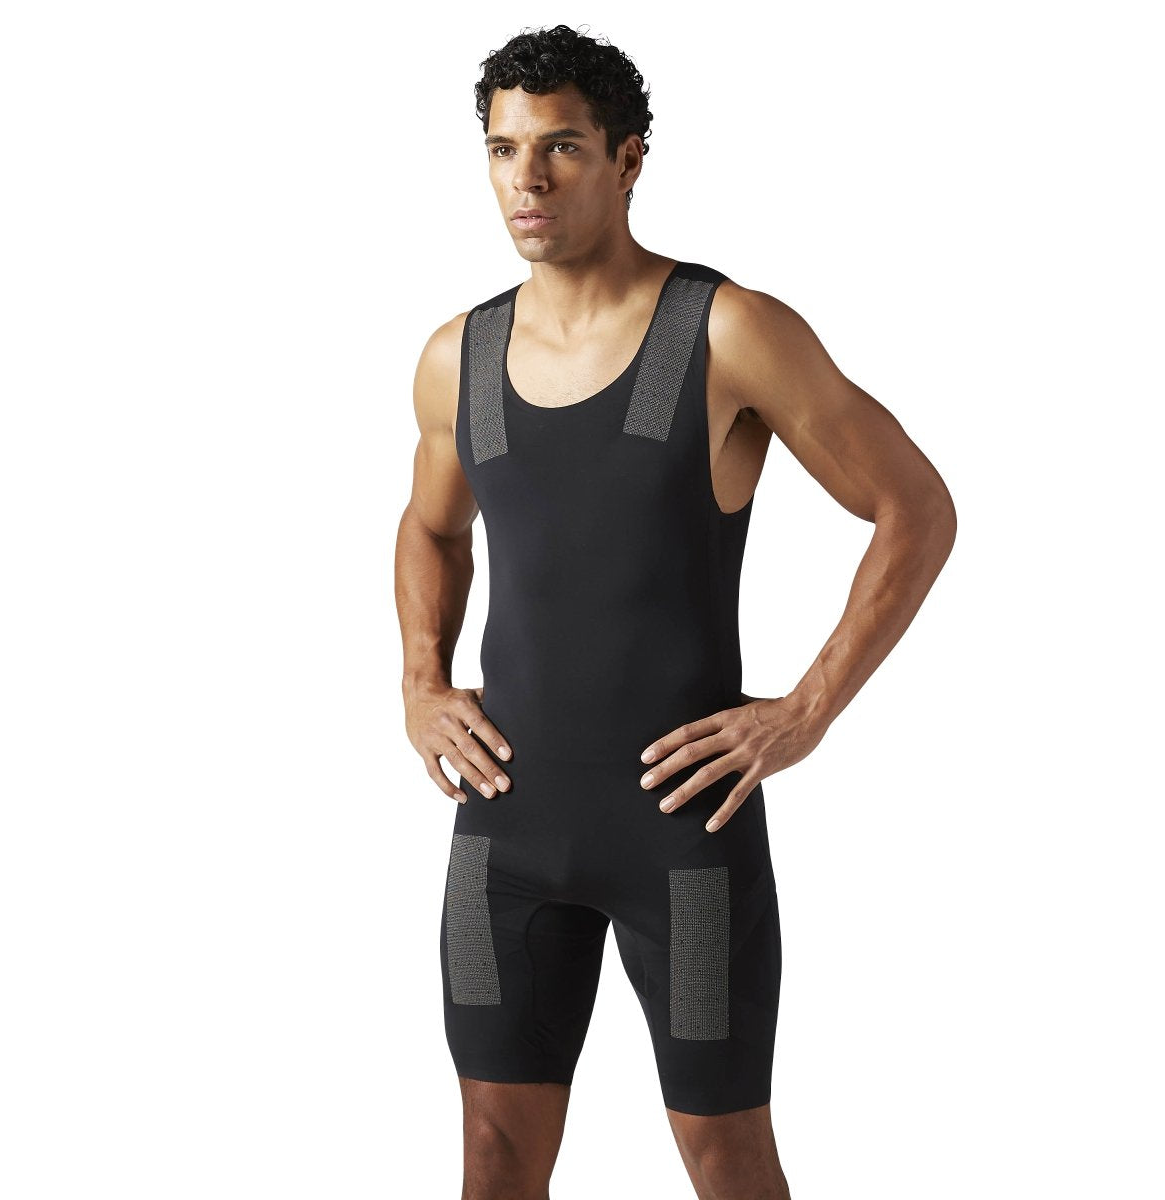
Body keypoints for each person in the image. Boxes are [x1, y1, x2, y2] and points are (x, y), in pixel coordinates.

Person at [394, 24, 956, 1200]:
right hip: (506, 835)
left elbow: (914, 507)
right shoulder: (459, 356)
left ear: (628, 157)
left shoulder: (728, 331)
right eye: (502, 150)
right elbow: (432, 528)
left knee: (725, 1159)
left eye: (561, 146)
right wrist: (421, 680)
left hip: (681, 839)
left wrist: (805, 712)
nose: (527, 178)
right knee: (492, 1154)